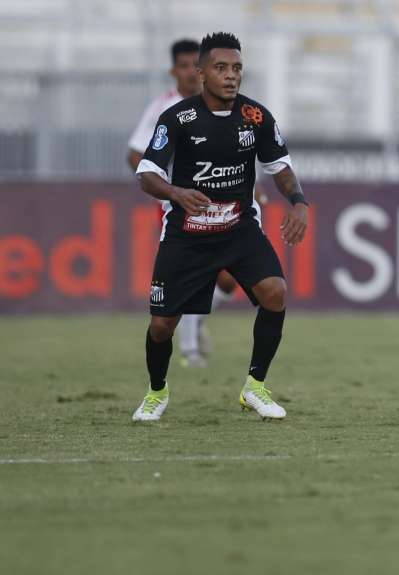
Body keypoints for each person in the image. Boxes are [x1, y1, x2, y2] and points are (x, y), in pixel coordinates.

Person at [132, 32, 308, 421]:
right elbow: (146, 173)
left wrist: (298, 202)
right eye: (221, 68)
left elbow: (279, 167)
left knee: (275, 293)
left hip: (238, 228)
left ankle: (255, 387)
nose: (231, 76)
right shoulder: (178, 118)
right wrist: (177, 193)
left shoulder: (255, 117)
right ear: (201, 73)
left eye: (237, 68)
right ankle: (156, 391)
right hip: (186, 234)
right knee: (162, 326)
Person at [126, 38, 266, 369]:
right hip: (182, 206)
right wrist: (170, 188)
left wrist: (254, 189)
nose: (191, 72)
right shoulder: (165, 107)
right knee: (193, 276)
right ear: (174, 70)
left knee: (229, 280)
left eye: (195, 65)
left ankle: (194, 323)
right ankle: (189, 347)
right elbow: (135, 154)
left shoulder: (221, 105)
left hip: (225, 202)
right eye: (185, 65)